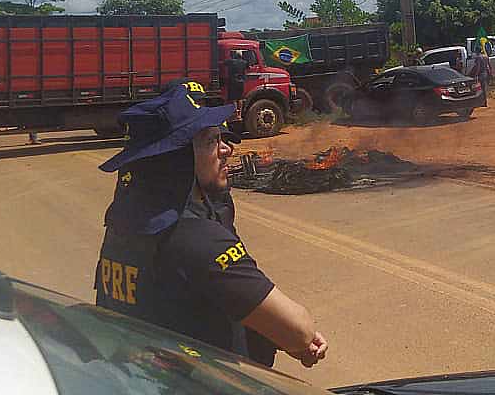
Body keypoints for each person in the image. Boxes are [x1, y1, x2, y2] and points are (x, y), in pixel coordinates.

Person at [94, 81, 327, 369]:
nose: (227, 149)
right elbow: (299, 330)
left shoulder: (127, 223)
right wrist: (296, 339)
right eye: (210, 141)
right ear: (176, 160)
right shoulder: (194, 236)